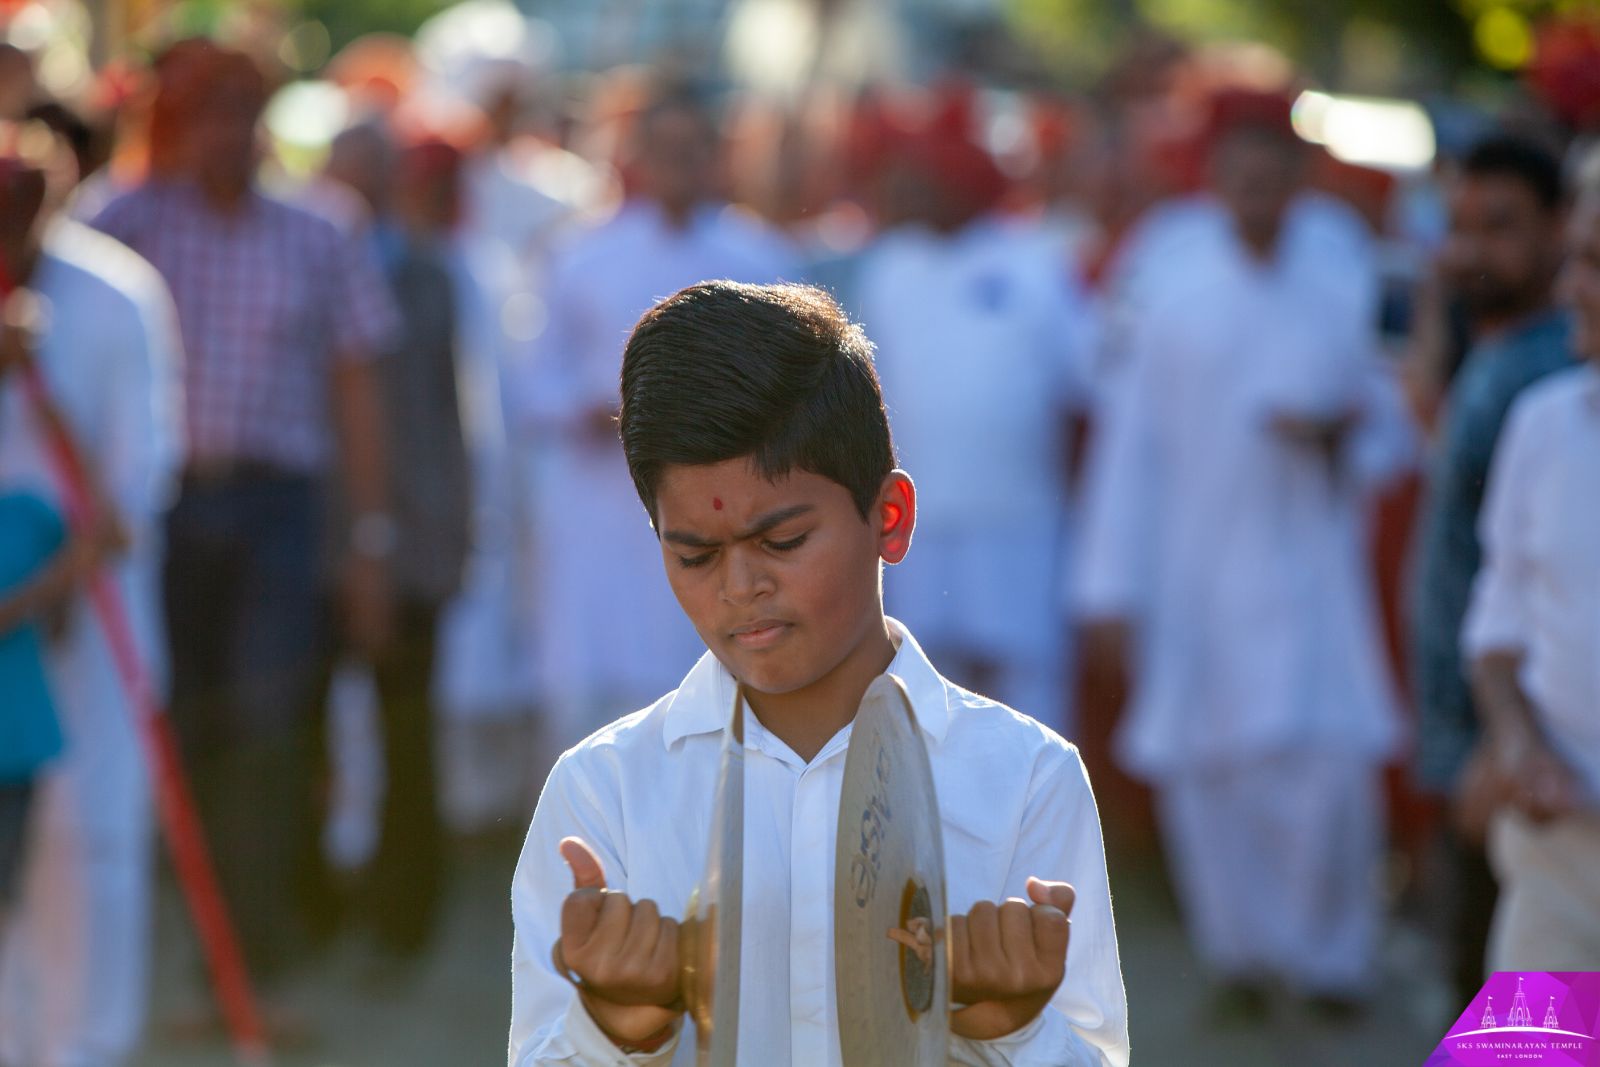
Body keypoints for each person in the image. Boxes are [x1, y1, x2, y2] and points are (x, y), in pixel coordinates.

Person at [508, 281, 1128, 1067]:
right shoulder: (605, 791)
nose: (739, 587)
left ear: (890, 518)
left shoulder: (1024, 777)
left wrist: (1010, 1026)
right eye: (695, 554)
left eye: (784, 540)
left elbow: (1093, 1049)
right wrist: (617, 1023)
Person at [1074, 90, 1415, 1018]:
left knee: (1325, 773)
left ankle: (1333, 962)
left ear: (1300, 178)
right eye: (1242, 176)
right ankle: (1241, 958)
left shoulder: (1344, 273)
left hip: (1310, 566)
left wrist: (1343, 433)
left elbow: (1391, 424)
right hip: (1196, 572)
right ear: (1217, 180)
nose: (1258, 193)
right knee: (1209, 768)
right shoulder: (1172, 286)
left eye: (1276, 176)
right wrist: (1111, 585)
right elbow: (1128, 447)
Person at [86, 40, 397, 1028]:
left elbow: (358, 389)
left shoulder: (321, 229)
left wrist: (369, 541)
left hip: (278, 513)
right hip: (163, 515)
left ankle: (258, 974)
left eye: (241, 110)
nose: (225, 130)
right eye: (206, 111)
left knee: (265, 734)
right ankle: (175, 968)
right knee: (170, 730)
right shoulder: (124, 223)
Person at [511, 81, 796, 748]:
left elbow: (791, 386)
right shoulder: (580, 255)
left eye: (691, 150)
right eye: (662, 149)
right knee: (588, 687)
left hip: (717, 509)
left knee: (697, 681)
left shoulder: (756, 259)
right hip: (598, 503)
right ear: (635, 153)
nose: (677, 165)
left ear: (714, 156)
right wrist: (590, 410)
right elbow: (532, 382)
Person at [0, 118, 184, 1067]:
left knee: (88, 848)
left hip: (84, 634)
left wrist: (31, 599)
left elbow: (135, 491)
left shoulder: (116, 297)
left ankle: (86, 1050)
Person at [857, 113, 1098, 735]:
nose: (910, 191)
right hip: (915, 519)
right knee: (922, 683)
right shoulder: (890, 266)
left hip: (1016, 515)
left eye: (925, 175)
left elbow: (1089, 375)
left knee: (1024, 681)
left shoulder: (1036, 260)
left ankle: (1037, 825)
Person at [1407, 135, 1572, 1003]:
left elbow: (1539, 594)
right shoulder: (1509, 359)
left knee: (1517, 1010)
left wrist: (1489, 741)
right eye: (1458, 226)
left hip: (1517, 764)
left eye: (1499, 227)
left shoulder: (1550, 381)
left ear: (1559, 229)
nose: (1470, 251)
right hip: (1490, 748)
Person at [1462, 153, 1600, 971]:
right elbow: (1497, 632)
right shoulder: (1545, 425)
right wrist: (1517, 744)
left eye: (1598, 266)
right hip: (1554, 865)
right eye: (1579, 257)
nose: (1570, 290)